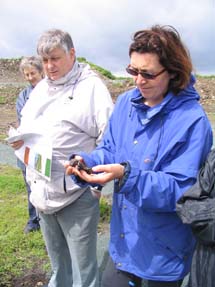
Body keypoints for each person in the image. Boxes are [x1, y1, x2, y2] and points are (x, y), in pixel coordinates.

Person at [65, 25, 213, 287]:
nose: (138, 80)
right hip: (124, 243)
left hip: (164, 252)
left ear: (173, 73)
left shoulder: (193, 121)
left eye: (148, 73)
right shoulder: (125, 103)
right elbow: (109, 149)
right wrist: (88, 163)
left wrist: (127, 176)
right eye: (133, 70)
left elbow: (181, 190)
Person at [10, 29, 113, 287]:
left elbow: (110, 140)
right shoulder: (41, 88)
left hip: (75, 196)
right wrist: (20, 138)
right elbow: (28, 126)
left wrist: (94, 181)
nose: (49, 66)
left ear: (72, 53)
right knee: (58, 267)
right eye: (44, 60)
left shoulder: (92, 89)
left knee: (84, 272)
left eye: (55, 58)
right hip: (42, 195)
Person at [16, 56, 44, 233]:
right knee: (30, 183)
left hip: (45, 148)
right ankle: (34, 219)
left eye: (33, 73)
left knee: (45, 181)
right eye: (26, 74)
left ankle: (49, 218)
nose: (30, 77)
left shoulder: (52, 91)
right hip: (28, 148)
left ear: (41, 72)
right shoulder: (23, 96)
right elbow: (22, 120)